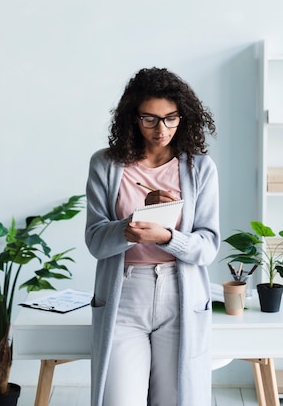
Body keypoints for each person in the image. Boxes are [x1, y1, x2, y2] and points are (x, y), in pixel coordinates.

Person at [85, 67, 220, 406]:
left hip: (180, 293)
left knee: (176, 399)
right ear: (133, 118)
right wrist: (128, 228)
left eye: (171, 119)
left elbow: (208, 246)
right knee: (120, 400)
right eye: (150, 119)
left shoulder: (200, 168)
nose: (161, 130)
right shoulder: (106, 165)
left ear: (183, 118)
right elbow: (95, 241)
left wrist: (167, 237)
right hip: (124, 294)